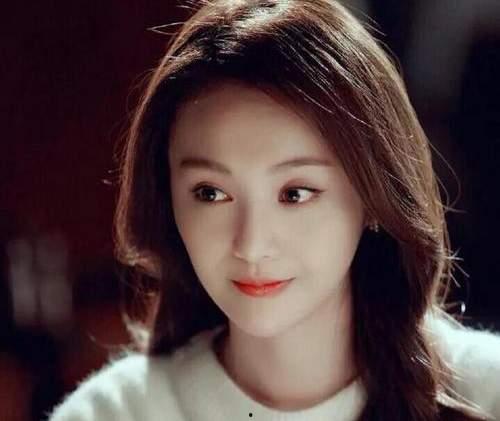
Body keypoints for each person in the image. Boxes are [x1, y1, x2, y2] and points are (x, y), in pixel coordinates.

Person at [47, 0, 500, 420]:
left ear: (373, 197)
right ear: (167, 200)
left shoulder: (487, 392)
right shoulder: (112, 413)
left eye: (295, 193)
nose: (251, 244)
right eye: (210, 193)